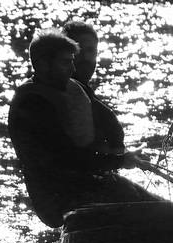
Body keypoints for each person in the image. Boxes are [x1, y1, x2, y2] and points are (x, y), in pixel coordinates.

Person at [8, 29, 158, 228]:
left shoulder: (69, 90)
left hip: (85, 182)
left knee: (150, 201)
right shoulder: (33, 106)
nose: (72, 68)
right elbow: (67, 159)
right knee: (135, 201)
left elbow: (106, 126)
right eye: (65, 62)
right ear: (43, 64)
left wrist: (119, 154)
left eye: (72, 61)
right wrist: (120, 161)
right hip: (59, 197)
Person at [61, 21, 125, 155]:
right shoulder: (62, 91)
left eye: (90, 50)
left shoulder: (85, 92)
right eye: (78, 49)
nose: (85, 57)